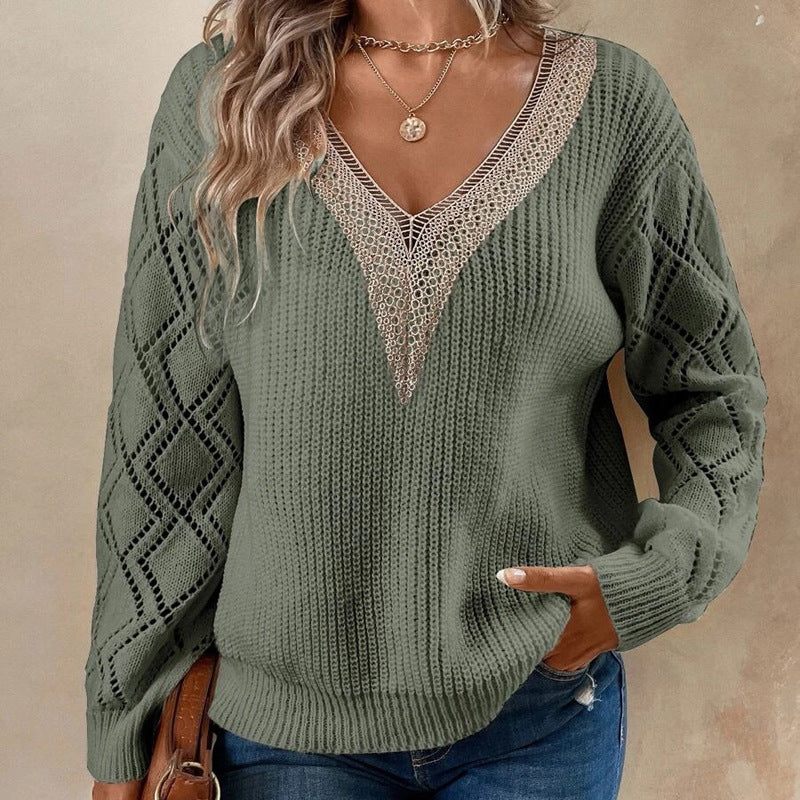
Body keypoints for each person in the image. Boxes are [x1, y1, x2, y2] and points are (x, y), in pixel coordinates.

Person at [85, 2, 768, 799]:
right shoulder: (224, 96)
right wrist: (124, 721)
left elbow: (712, 394)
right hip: (283, 732)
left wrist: (661, 580)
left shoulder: (613, 103)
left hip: (538, 711)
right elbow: (166, 438)